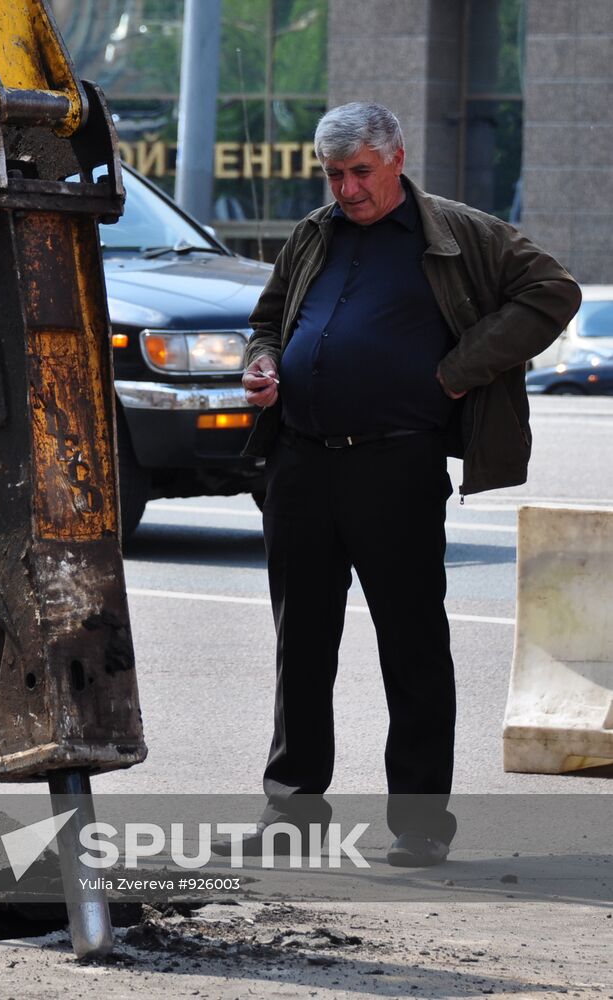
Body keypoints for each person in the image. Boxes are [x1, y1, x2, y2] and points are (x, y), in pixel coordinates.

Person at [234, 102, 580, 867]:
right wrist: (260, 364)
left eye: (359, 172)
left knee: (413, 648)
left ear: (395, 157)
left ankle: (420, 826)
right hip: (300, 463)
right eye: (332, 174)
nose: (346, 189)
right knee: (302, 646)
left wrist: (459, 372)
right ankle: (290, 814)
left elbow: (552, 293)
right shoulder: (311, 234)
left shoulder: (460, 234)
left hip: (395, 466)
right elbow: (265, 321)